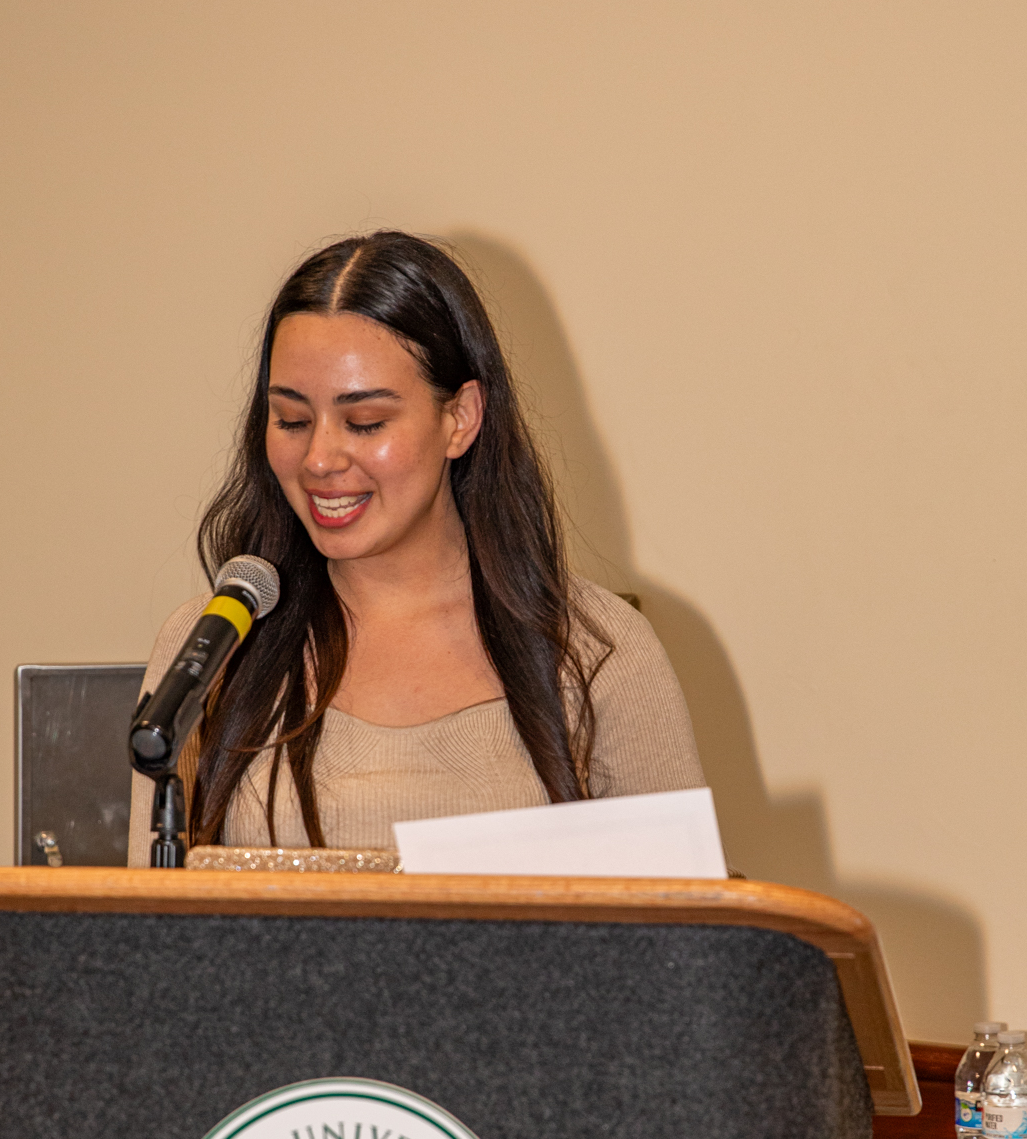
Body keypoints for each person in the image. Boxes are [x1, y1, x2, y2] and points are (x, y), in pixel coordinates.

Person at [128, 231, 704, 863]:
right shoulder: (209, 648)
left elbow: (685, 945)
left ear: (460, 418)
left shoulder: (599, 651)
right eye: (291, 420)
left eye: (365, 422)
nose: (319, 458)